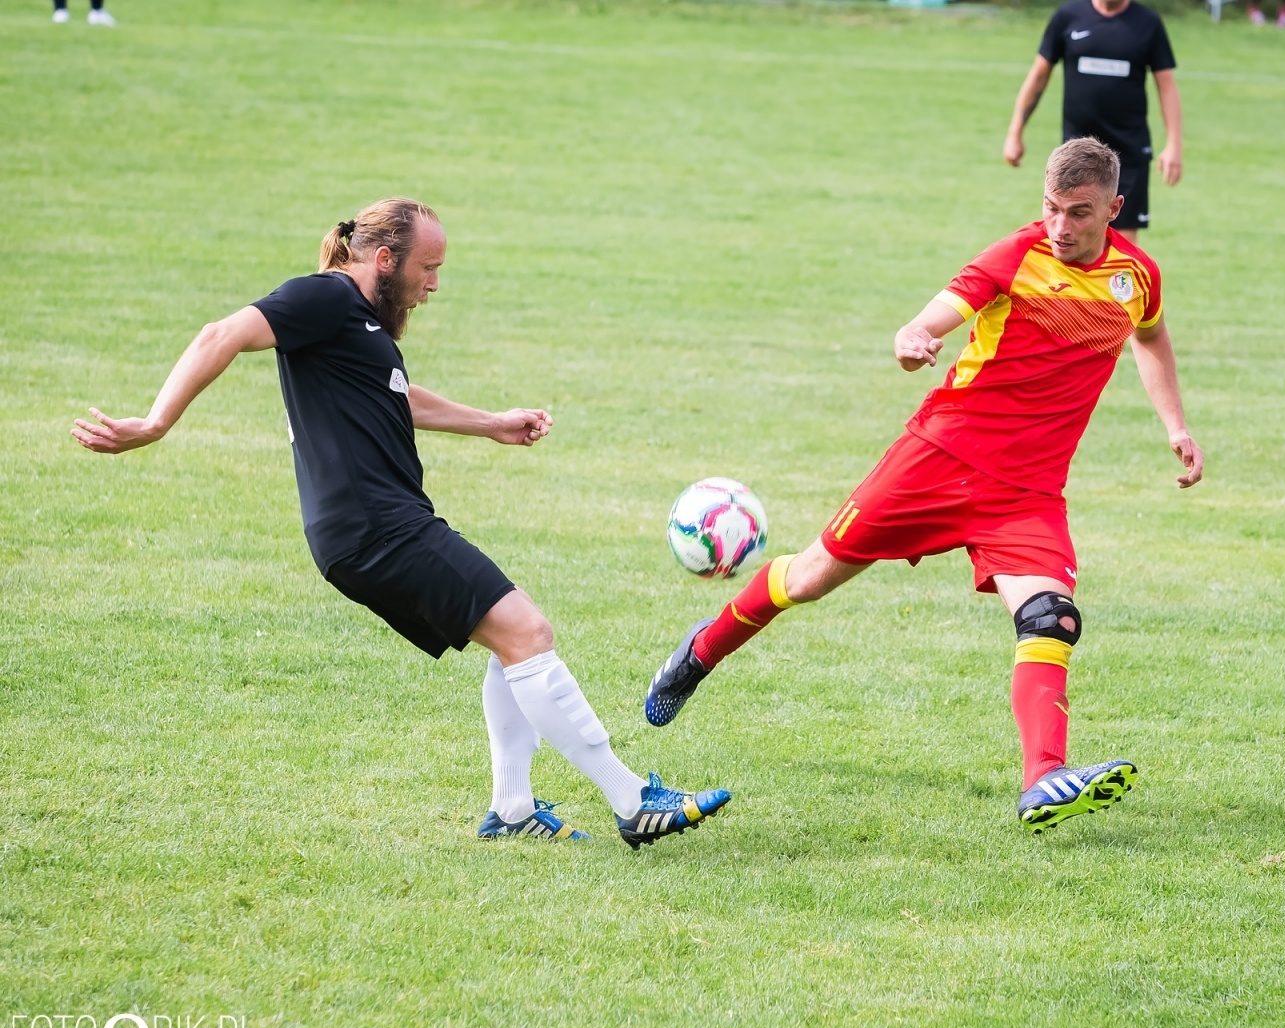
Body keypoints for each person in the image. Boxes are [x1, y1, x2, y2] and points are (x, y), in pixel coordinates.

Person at [71, 198, 730, 849]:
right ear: (384, 260)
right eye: (429, 268)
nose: (434, 285)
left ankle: (512, 807)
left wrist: (490, 422)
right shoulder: (324, 298)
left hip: (380, 525)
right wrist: (155, 423)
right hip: (373, 528)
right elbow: (222, 334)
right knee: (528, 632)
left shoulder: (360, 324)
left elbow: (394, 394)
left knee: (512, 638)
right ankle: (631, 800)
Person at [644, 139, 1203, 833]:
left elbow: (1149, 337)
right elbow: (933, 315)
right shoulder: (1015, 257)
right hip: (940, 458)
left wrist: (1175, 424)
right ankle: (700, 653)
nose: (1060, 226)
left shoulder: (1136, 276)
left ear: (1114, 209)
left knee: (1051, 619)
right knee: (813, 576)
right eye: (1051, 208)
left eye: (1079, 213)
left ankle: (1043, 780)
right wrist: (912, 339)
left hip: (1027, 493)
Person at [1004, 0, 1181, 245]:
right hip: (1076, 156)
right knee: (1067, 235)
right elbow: (1038, 76)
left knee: (1122, 242)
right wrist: (1015, 132)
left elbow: (1167, 86)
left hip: (1128, 152)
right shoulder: (1068, 16)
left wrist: (1173, 144)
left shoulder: (1148, 23)